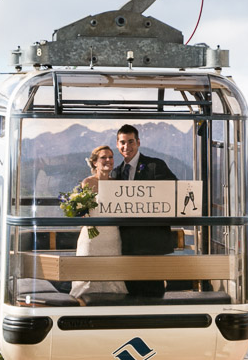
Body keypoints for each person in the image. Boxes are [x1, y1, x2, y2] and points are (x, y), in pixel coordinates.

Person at [110, 124, 177, 297]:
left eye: (131, 142)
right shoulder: (116, 173)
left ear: (138, 143)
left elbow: (174, 192)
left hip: (151, 242)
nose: (127, 147)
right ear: (117, 145)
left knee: (153, 293)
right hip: (127, 244)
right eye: (122, 143)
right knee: (130, 292)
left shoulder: (155, 166)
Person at [69, 145, 128, 300]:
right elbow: (83, 209)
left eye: (110, 157)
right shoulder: (87, 183)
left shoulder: (117, 184)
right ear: (95, 162)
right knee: (88, 270)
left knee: (112, 270)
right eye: (103, 157)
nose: (108, 160)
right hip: (91, 234)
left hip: (112, 235)